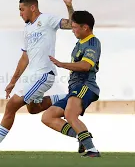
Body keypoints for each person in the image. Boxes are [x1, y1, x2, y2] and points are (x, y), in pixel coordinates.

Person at [0, 0, 79, 155]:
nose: (20, 14)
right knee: (33, 109)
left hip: (44, 74)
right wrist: (12, 82)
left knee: (11, 106)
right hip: (33, 76)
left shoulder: (47, 20)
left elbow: (71, 24)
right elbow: (25, 58)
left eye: (21, 9)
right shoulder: (27, 29)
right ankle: (69, 99)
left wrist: (68, 5)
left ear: (33, 7)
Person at [41, 10, 101, 157]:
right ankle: (81, 136)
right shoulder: (80, 41)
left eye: (75, 27)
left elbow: (85, 66)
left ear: (85, 27)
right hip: (74, 88)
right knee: (48, 117)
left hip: (85, 86)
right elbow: (73, 19)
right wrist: (68, 5)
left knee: (69, 114)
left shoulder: (93, 42)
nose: (72, 30)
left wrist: (62, 64)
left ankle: (92, 150)